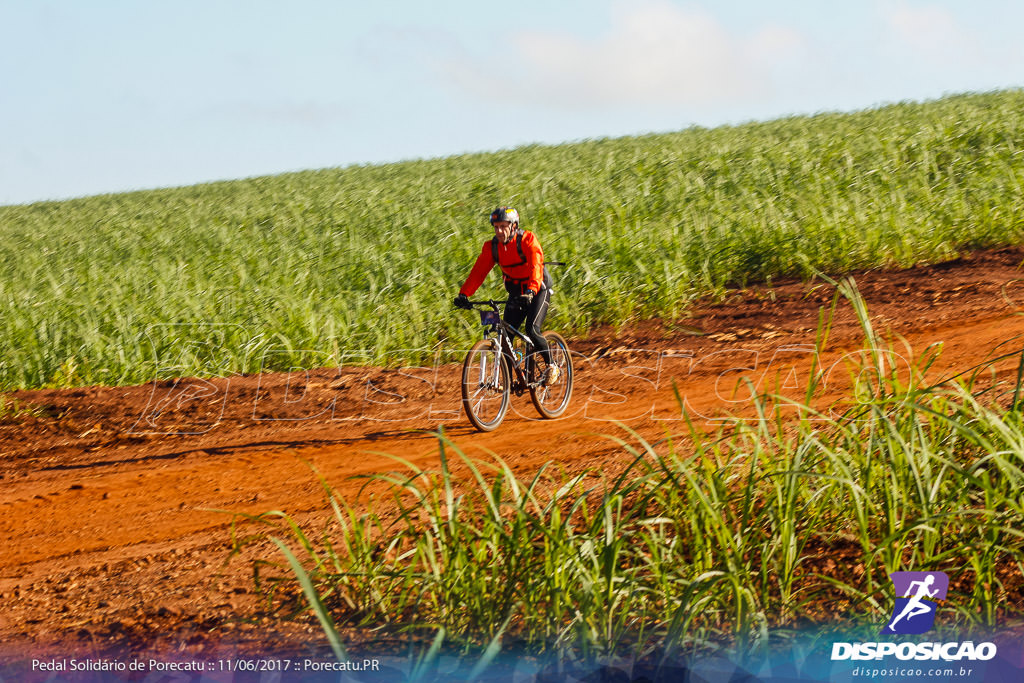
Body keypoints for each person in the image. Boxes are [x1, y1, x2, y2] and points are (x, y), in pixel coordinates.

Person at [454, 206, 559, 385]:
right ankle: (508, 383)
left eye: (503, 226)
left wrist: (532, 290)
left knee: (532, 329)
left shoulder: (527, 240)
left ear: (514, 226)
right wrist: (464, 294)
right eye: (496, 227)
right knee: (505, 337)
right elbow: (479, 272)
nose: (499, 231)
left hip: (537, 290)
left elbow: (536, 266)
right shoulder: (492, 247)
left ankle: (551, 366)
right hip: (516, 292)